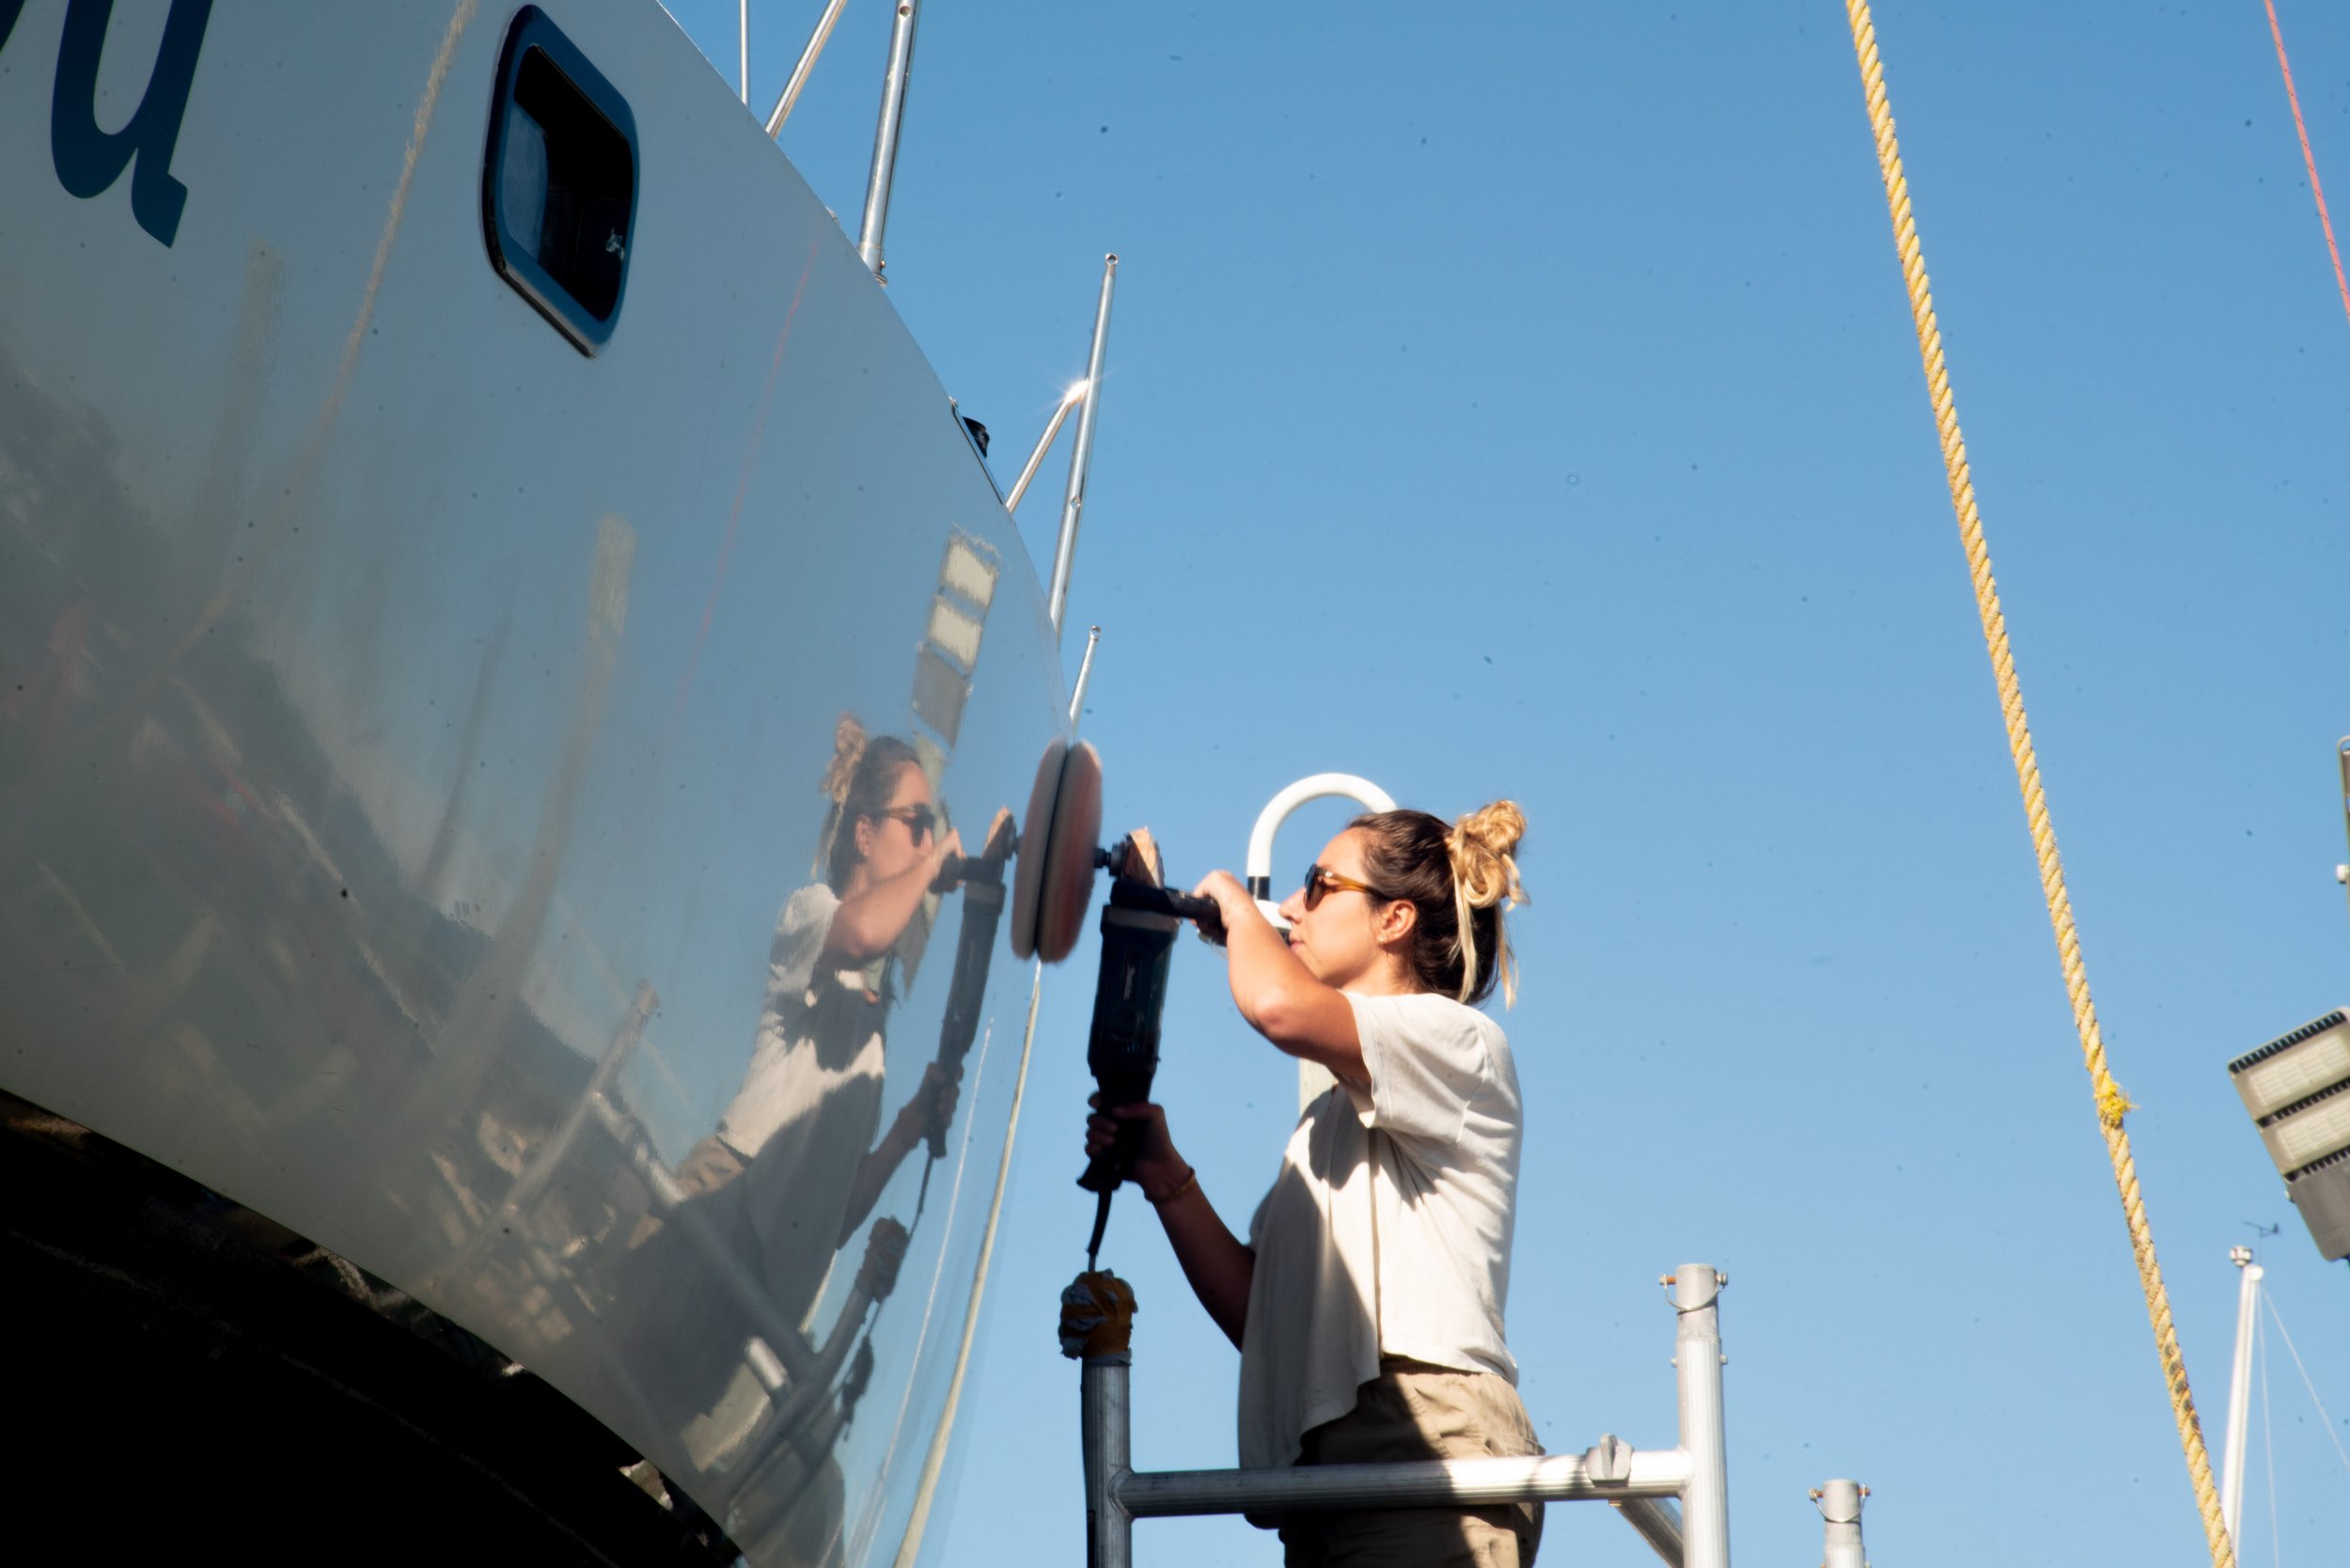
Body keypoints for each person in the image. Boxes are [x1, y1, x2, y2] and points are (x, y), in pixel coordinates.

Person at [1086, 802, 1540, 1567]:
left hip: (1430, 1452)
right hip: (1326, 1485)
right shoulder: (1323, 1129)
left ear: (1393, 920)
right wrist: (1166, 1178)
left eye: (1318, 884)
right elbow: (1265, 1323)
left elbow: (1277, 1005)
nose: (1293, 906)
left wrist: (1236, 905)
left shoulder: (1462, 1042)